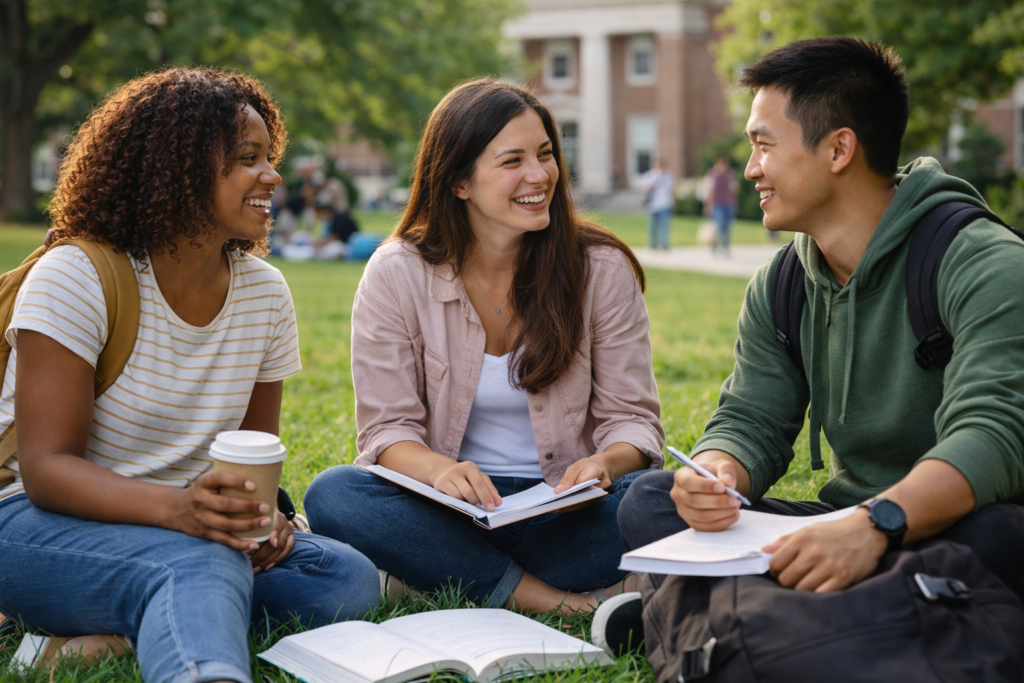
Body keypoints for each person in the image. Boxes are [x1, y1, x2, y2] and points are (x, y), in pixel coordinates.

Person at [600, 37, 1024, 652]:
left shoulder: (983, 263)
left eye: (764, 145)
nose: (751, 169)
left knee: (1000, 536)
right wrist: (719, 474)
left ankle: (715, 618)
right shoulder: (784, 283)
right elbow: (751, 417)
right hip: (843, 527)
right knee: (651, 502)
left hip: (946, 522)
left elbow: (992, 436)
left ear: (838, 149)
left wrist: (874, 526)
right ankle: (839, 618)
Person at [0, 67, 380, 683]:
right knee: (200, 563)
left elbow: (249, 460)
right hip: (33, 523)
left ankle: (92, 640)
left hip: (185, 526)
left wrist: (264, 521)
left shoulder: (265, 294)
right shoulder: (76, 276)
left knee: (345, 580)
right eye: (246, 159)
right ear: (176, 171)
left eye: (269, 157)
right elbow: (46, 471)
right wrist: (184, 515)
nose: (272, 177)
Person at [303, 78, 665, 616]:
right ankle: (560, 602)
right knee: (334, 494)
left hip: (566, 513)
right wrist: (439, 471)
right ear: (458, 182)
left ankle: (436, 578)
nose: (539, 175)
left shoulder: (601, 270)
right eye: (512, 160)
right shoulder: (397, 273)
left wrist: (606, 463)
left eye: (545, 154)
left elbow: (633, 420)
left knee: (663, 499)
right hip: (447, 510)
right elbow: (387, 431)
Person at [703, 154, 738, 255]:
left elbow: (734, 189)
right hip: (716, 203)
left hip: (728, 203)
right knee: (719, 225)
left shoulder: (730, 174)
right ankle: (715, 244)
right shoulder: (712, 174)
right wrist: (707, 205)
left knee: (727, 226)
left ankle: (725, 246)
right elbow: (708, 190)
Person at [641, 159, 675, 250]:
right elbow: (647, 186)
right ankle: (652, 243)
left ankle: (664, 244)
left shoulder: (668, 175)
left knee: (664, 225)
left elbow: (670, 187)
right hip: (653, 205)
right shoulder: (649, 175)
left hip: (665, 203)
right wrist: (657, 177)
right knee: (652, 225)